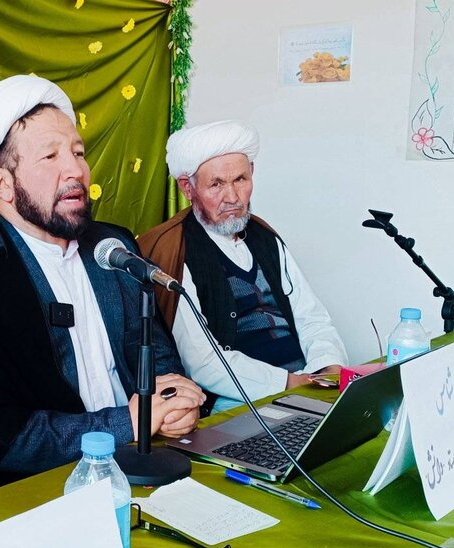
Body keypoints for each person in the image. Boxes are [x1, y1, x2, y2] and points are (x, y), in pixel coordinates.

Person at [0, 75, 205, 520]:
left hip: (143, 464)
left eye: (78, 153)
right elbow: (6, 438)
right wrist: (129, 422)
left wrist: (173, 401)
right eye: (51, 156)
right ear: (2, 183)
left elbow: (155, 351)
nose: (76, 170)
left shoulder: (112, 247)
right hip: (31, 498)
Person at [138, 120, 347, 414]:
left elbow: (312, 318)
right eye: (216, 184)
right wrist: (290, 383)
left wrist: (328, 367)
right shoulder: (172, 247)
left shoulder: (264, 236)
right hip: (238, 396)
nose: (233, 197)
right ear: (188, 187)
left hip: (305, 380)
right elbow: (203, 361)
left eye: (240, 179)